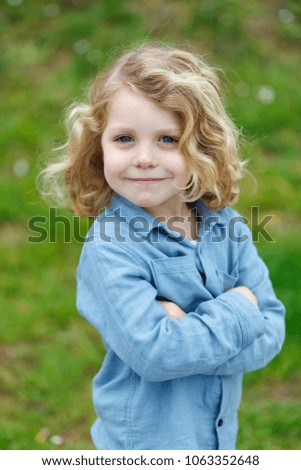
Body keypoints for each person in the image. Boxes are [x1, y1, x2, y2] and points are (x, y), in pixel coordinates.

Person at [40, 43, 285, 450]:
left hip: (216, 438)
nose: (144, 158)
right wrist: (241, 311)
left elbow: (273, 327)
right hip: (146, 445)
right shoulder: (111, 248)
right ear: (99, 146)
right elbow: (155, 356)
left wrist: (183, 331)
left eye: (168, 139)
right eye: (124, 138)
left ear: (202, 146)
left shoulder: (227, 226)